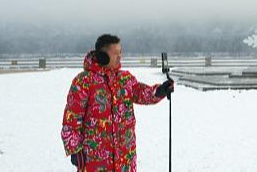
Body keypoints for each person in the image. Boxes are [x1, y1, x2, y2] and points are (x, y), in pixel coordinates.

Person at [61, 34, 174, 172]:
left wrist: (160, 91)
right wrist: (74, 149)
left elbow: (141, 93)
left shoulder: (124, 79)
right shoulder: (84, 81)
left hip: (125, 159)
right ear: (102, 56)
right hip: (96, 160)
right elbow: (71, 118)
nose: (120, 56)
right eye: (115, 53)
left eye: (120, 52)